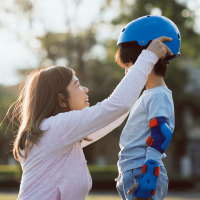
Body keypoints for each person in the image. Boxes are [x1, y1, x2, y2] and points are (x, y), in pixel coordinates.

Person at [2, 35, 172, 199]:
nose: (85, 89)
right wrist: (148, 57)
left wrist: (134, 74)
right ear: (61, 99)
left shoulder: (56, 134)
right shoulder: (56, 128)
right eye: (77, 85)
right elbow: (116, 107)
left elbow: (113, 116)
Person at [115, 15, 181, 200]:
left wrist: (148, 178)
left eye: (129, 65)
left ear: (149, 58)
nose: (128, 72)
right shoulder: (150, 94)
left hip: (143, 173)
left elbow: (161, 134)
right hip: (134, 171)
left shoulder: (158, 95)